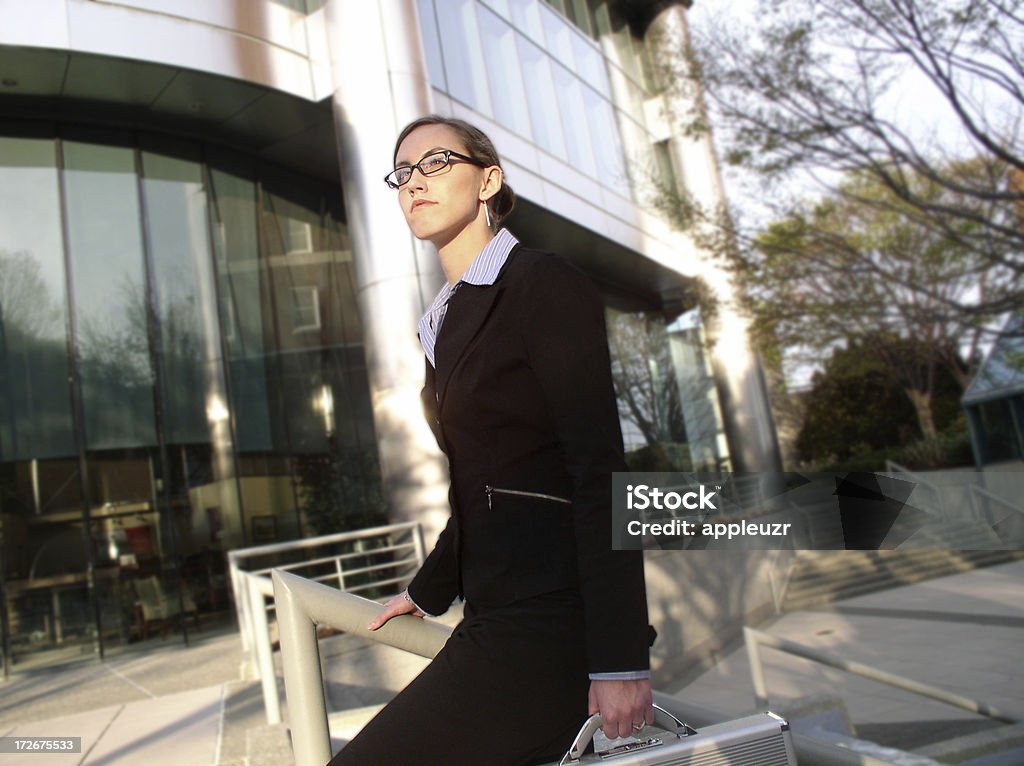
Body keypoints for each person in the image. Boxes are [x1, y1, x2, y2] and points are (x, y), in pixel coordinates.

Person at [328, 116, 654, 766]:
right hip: (493, 613)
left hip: (550, 623)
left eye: (436, 163)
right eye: (402, 173)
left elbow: (601, 471)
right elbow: (485, 486)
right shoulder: (442, 324)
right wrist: (427, 589)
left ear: (489, 180)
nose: (414, 183)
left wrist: (621, 660)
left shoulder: (540, 283)